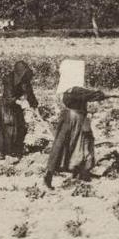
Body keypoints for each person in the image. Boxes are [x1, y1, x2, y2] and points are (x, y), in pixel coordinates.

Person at [44, 61, 107, 189]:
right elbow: (94, 95)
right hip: (77, 119)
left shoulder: (67, 90)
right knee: (84, 142)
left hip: (67, 117)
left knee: (60, 144)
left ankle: (50, 173)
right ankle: (81, 172)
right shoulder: (77, 90)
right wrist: (109, 95)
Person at [0, 61, 39, 158]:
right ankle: (1, 151)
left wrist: (34, 104)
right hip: (6, 107)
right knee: (7, 129)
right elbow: (8, 97)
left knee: (19, 128)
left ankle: (14, 150)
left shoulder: (25, 79)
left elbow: (30, 93)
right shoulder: (9, 79)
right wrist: (21, 103)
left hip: (16, 107)